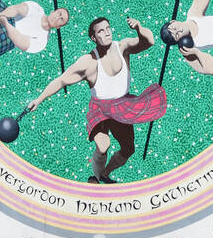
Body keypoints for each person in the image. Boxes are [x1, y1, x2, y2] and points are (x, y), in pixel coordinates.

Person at [28, 16, 164, 183]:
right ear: (94, 38)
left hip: (122, 106)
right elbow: (62, 80)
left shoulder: (123, 47)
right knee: (103, 145)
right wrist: (39, 99)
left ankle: (103, 174)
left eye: (108, 28)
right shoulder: (88, 62)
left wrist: (139, 27)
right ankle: (96, 180)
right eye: (101, 31)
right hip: (100, 109)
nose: (106, 33)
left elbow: (149, 41)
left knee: (128, 150)